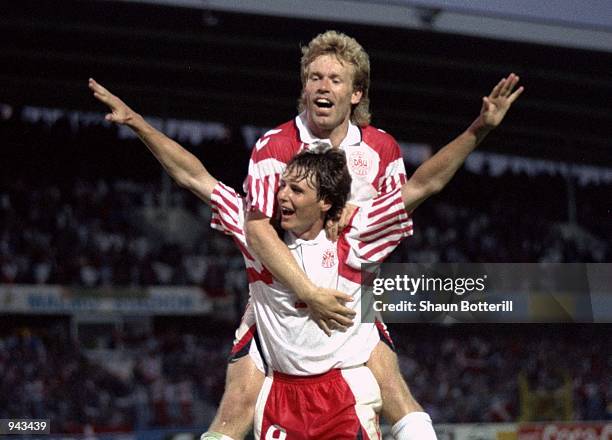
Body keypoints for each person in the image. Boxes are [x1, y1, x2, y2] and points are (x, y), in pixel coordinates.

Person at [89, 49, 522, 437]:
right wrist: (138, 123)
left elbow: (423, 185)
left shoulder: (362, 216)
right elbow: (194, 176)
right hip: (282, 375)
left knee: (394, 390)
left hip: (342, 367)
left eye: (296, 190)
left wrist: (479, 129)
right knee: (233, 411)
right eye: (315, 76)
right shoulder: (260, 210)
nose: (280, 196)